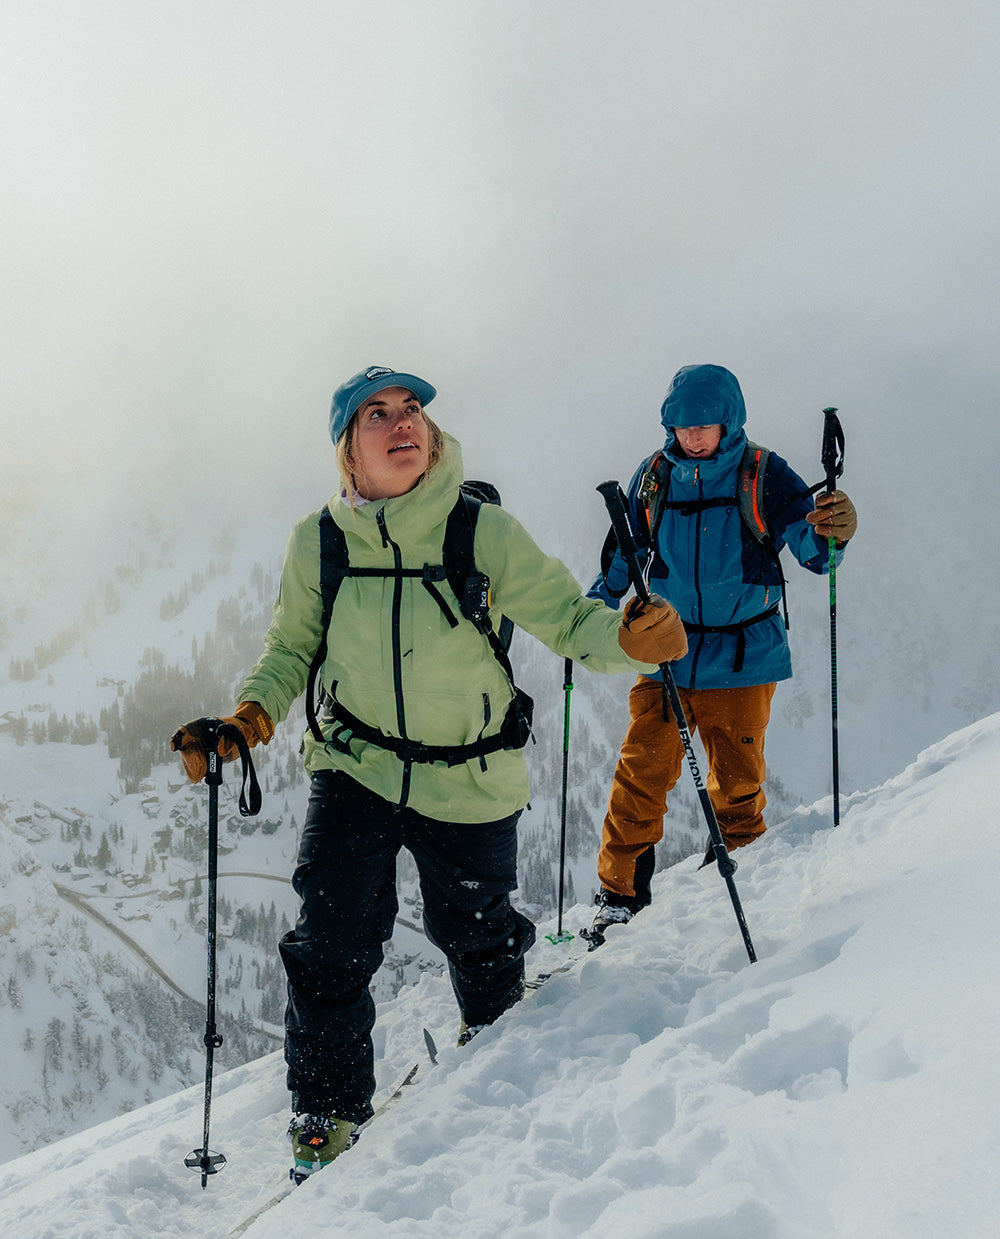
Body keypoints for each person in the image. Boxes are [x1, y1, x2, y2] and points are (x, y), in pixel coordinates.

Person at [170, 365, 687, 1181]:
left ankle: (496, 1056)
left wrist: (632, 641)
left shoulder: (483, 531)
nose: (403, 422)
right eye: (378, 414)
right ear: (349, 447)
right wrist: (249, 720)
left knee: (479, 939)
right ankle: (326, 1120)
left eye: (412, 410)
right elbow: (291, 648)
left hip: (469, 776)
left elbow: (567, 618)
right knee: (329, 948)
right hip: (355, 766)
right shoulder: (320, 541)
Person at [588, 362, 858, 936]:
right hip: (667, 652)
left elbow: (810, 551)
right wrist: (590, 611)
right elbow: (625, 551)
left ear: (728, 421)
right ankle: (619, 896)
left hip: (744, 655)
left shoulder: (763, 473)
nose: (692, 437)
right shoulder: (654, 476)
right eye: (682, 428)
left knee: (737, 782)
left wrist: (833, 532)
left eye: (703, 427)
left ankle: (739, 876)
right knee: (641, 772)